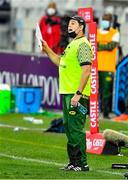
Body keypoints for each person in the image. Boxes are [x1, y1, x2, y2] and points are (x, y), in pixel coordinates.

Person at [41, 15, 93, 171]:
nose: (69, 26)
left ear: (81, 27)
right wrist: (47, 49)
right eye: (69, 23)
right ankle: (74, 162)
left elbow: (86, 70)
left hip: (76, 94)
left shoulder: (83, 45)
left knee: (75, 128)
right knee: (69, 127)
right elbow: (59, 61)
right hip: (68, 92)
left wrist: (78, 93)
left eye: (73, 23)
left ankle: (82, 163)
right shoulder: (72, 44)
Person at [97, 13, 120, 119]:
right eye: (103, 19)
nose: (105, 21)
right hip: (96, 66)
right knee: (94, 90)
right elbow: (92, 45)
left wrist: (98, 46)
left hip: (108, 67)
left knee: (106, 91)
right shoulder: (96, 32)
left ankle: (105, 113)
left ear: (110, 22)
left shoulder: (115, 33)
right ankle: (91, 112)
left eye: (107, 20)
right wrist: (104, 45)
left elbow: (111, 46)